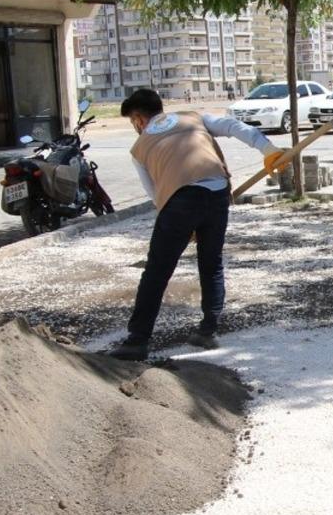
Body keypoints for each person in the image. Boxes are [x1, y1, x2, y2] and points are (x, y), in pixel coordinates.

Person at [109, 88, 282, 361]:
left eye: (133, 122)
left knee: (157, 271)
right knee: (211, 262)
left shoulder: (139, 149)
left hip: (179, 201)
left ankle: (137, 340)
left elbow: (156, 194)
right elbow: (231, 125)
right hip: (217, 192)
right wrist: (267, 148)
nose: (135, 128)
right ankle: (208, 330)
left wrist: (178, 222)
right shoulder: (194, 117)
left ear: (139, 119)